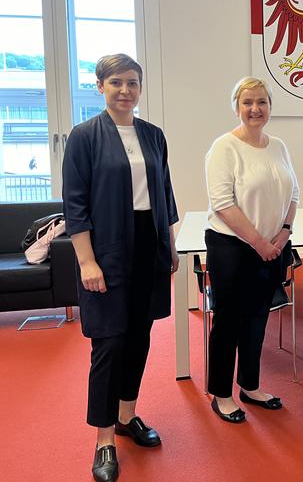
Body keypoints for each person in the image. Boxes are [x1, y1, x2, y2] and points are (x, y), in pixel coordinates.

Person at [63, 54, 179, 482]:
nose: (125, 90)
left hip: (148, 245)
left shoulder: (153, 135)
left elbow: (165, 194)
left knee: (140, 337)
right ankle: (104, 439)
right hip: (106, 248)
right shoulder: (84, 136)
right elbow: (75, 205)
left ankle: (128, 417)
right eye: (116, 82)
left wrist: (170, 246)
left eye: (132, 82)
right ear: (100, 87)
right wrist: (87, 260)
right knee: (108, 345)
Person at [204, 77, 299, 424]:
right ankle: (221, 393)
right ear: (237, 106)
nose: (255, 109)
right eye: (247, 102)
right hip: (233, 247)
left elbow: (294, 194)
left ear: (270, 106)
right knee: (229, 321)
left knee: (258, 317)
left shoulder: (278, 146)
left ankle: (250, 386)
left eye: (262, 102)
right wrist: (260, 243)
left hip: (273, 246)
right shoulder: (224, 148)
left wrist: (284, 234)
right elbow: (223, 204)